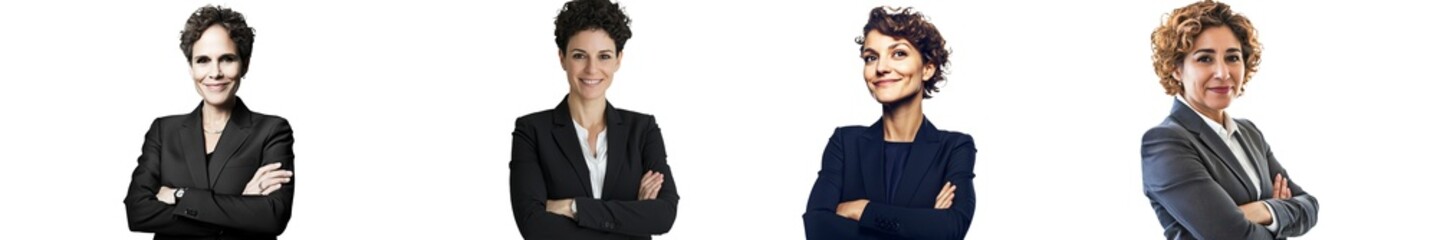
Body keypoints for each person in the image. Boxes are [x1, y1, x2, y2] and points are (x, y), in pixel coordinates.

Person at [1141, 1, 1319, 239]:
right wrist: (1280, 217)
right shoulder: (1165, 142)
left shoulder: (1249, 133)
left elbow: (1309, 206)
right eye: (1205, 59)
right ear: (1176, 68)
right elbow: (1228, 235)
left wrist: (1261, 209)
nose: (1223, 73)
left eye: (1232, 57)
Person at [124, 5, 296, 240]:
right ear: (191, 67)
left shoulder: (272, 131)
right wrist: (240, 208)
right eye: (203, 60)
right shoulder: (164, 131)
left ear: (244, 64)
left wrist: (179, 195)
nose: (214, 73)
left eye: (227, 59)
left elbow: (272, 216)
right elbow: (137, 213)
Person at [803, 6, 976, 239]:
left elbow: (951, 229)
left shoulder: (954, 147)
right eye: (871, 57)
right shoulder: (845, 143)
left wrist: (862, 209)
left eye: (899, 54)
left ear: (927, 68)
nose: (881, 68)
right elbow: (818, 228)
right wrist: (921, 226)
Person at [509, 0, 678, 239]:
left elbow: (663, 216)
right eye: (579, 56)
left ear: (618, 59)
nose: (592, 69)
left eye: (604, 56)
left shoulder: (642, 130)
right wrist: (633, 218)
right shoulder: (532, 131)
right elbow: (533, 226)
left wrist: (572, 207)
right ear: (562, 58)